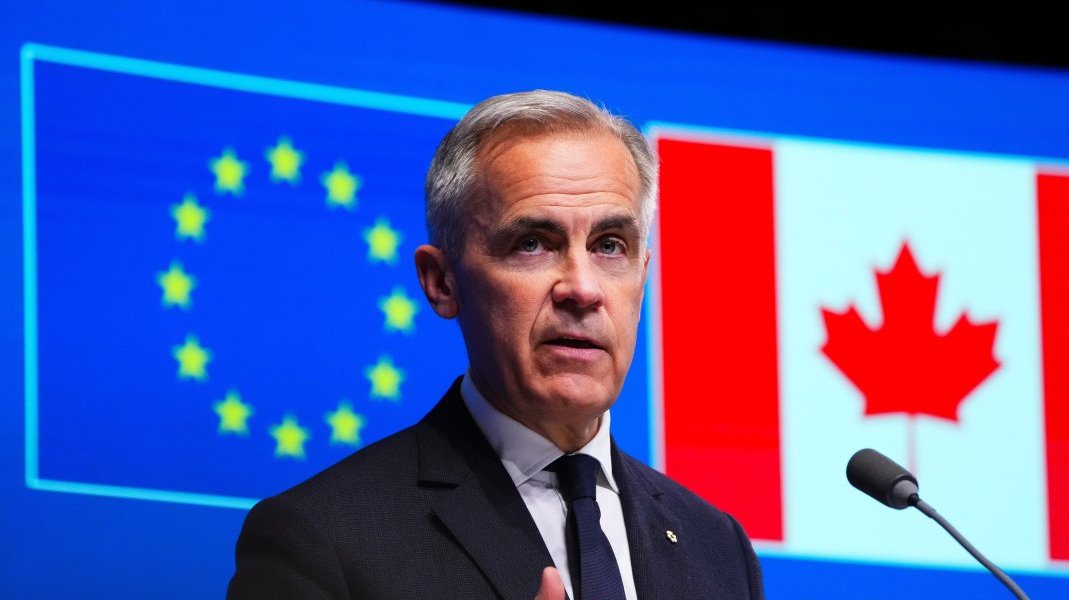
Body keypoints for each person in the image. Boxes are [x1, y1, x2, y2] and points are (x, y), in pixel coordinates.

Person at [227, 89, 765, 599]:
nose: (583, 288)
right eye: (532, 244)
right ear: (442, 282)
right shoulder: (322, 539)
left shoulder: (717, 548)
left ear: (642, 276)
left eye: (609, 245)